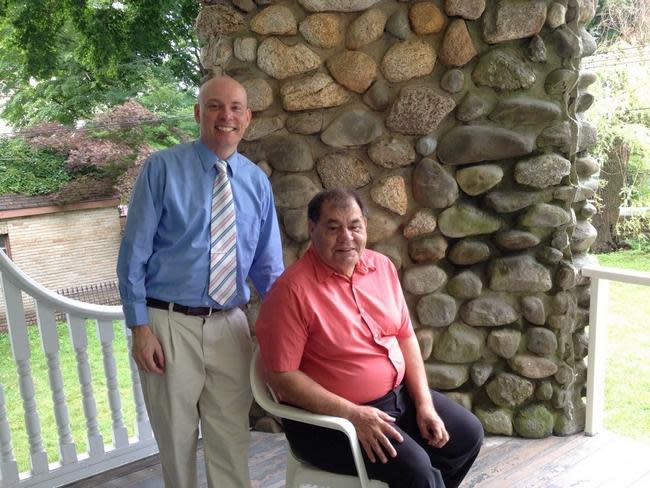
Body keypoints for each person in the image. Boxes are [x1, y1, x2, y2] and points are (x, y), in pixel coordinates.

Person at [116, 75, 284, 488]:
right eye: (214, 106)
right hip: (168, 325)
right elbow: (132, 255)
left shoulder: (257, 183)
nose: (225, 116)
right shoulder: (161, 170)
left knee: (230, 436)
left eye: (235, 108)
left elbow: (269, 270)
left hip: (231, 324)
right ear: (198, 113)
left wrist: (281, 331)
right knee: (176, 439)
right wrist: (140, 328)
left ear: (248, 118)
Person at [255, 189, 483, 488]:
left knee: (466, 436)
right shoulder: (291, 291)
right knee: (416, 469)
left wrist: (424, 403)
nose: (346, 237)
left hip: (398, 400)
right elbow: (282, 378)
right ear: (312, 230)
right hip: (331, 423)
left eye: (354, 226)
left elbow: (405, 336)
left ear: (366, 226)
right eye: (333, 228)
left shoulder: (382, 268)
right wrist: (353, 415)